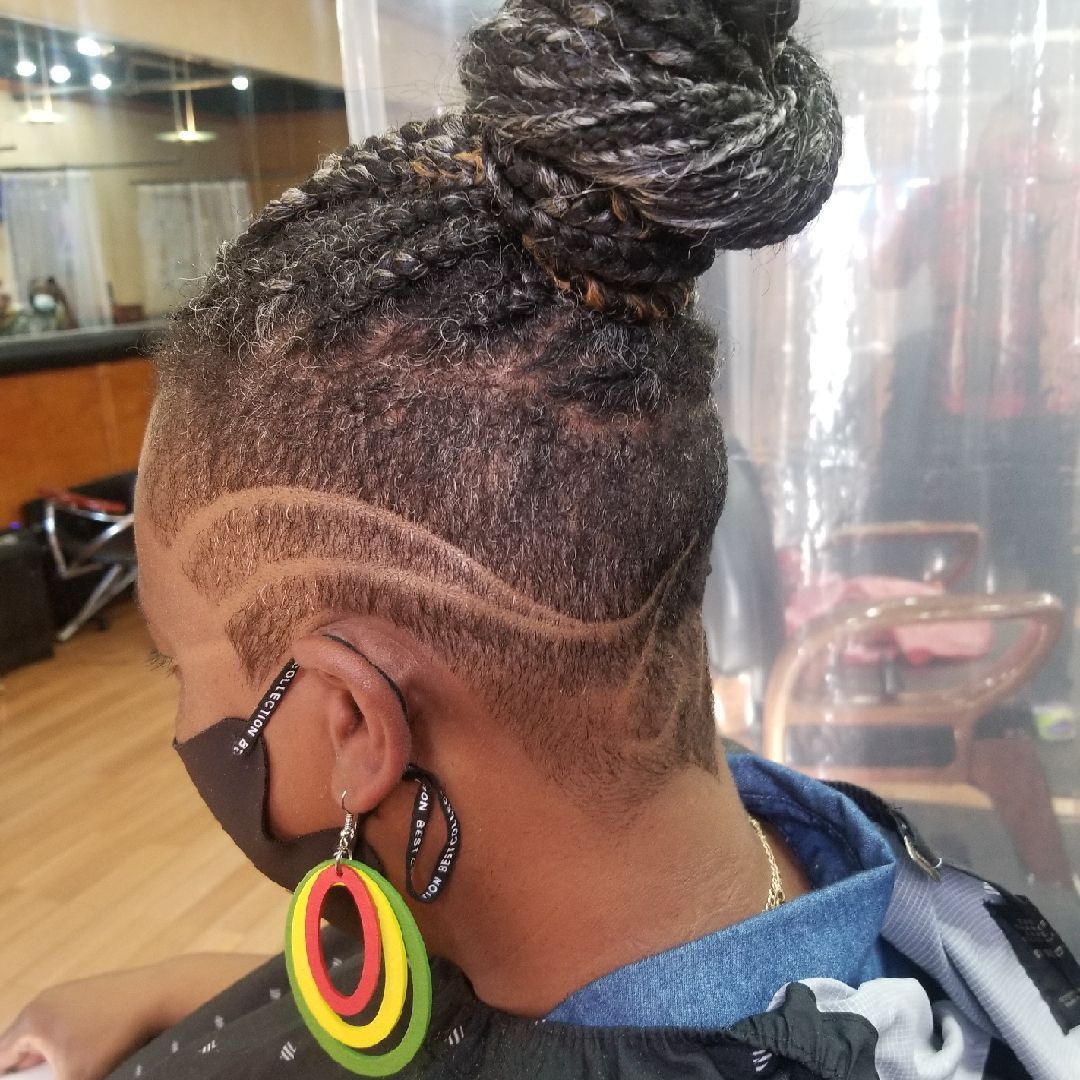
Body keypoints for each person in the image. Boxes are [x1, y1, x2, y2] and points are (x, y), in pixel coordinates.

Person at [2, 2, 1077, 1078]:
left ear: (350, 727)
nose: (184, 719)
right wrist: (184, 985)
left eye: (172, 663)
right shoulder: (792, 853)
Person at [873, 91, 1078, 735]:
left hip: (1046, 412)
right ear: (982, 133)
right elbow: (887, 271)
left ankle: (1045, 692)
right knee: (961, 551)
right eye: (1006, 133)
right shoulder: (945, 199)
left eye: (1030, 135)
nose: (1018, 148)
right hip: (958, 413)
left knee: (1042, 553)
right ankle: (968, 696)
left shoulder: (1066, 198)